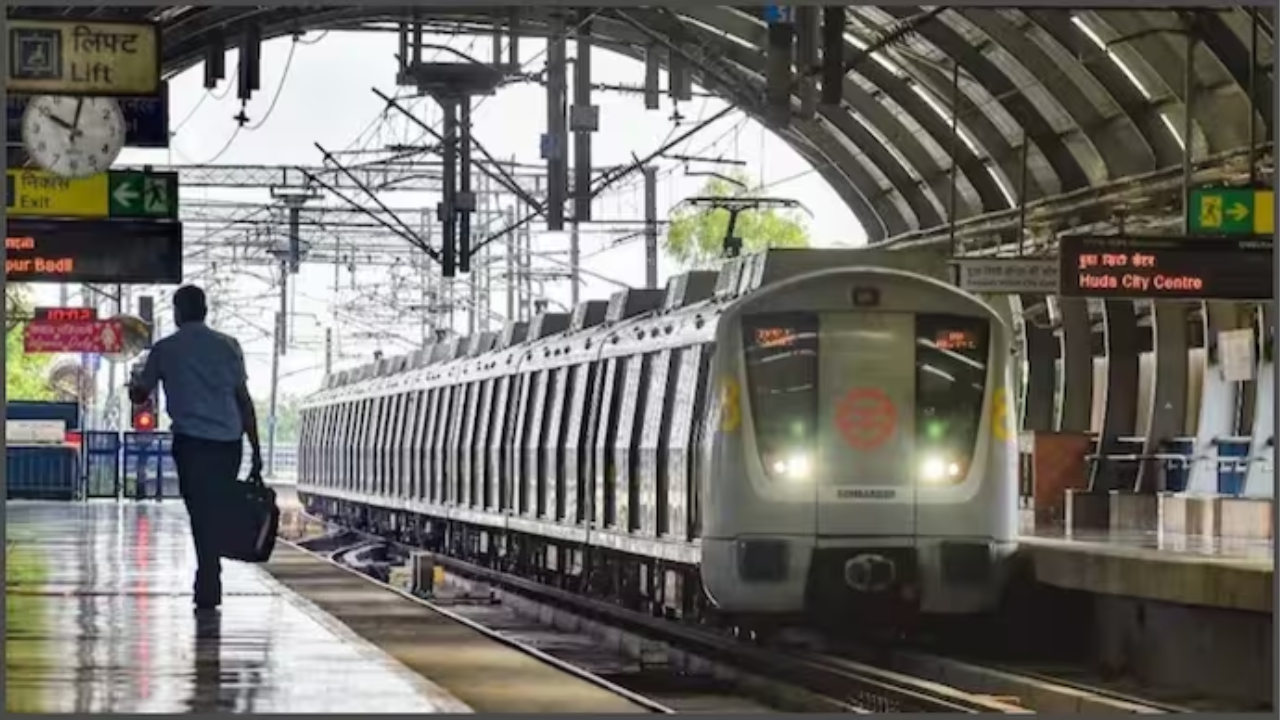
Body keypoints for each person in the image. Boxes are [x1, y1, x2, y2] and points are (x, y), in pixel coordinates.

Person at [129, 285, 263, 611]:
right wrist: (256, 451)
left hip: (191, 444)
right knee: (215, 508)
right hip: (229, 444)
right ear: (205, 310)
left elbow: (140, 395)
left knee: (200, 510)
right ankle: (209, 572)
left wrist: (134, 386)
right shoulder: (229, 346)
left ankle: (208, 574)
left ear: (177, 313)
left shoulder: (165, 349)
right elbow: (243, 401)